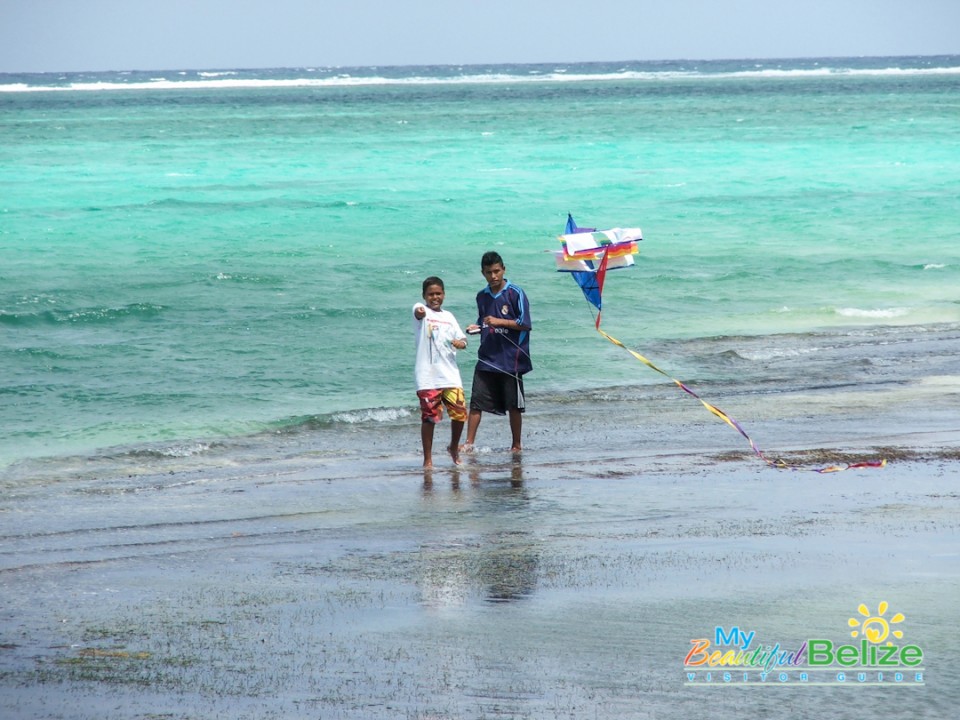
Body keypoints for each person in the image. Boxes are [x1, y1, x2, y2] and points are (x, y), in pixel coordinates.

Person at [463, 251, 532, 452]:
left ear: (503, 269)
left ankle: (516, 444)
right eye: (488, 273)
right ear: (482, 273)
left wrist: (498, 321)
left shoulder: (516, 293)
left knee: (514, 405)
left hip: (512, 359)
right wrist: (475, 328)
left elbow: (524, 323)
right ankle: (468, 443)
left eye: (496, 271)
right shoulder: (481, 296)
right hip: (487, 357)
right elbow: (483, 322)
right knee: (476, 402)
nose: (493, 276)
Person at [412, 276, 468, 468]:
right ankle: (427, 459)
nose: (435, 297)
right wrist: (420, 310)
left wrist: (461, 343)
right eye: (431, 294)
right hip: (428, 377)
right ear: (424, 296)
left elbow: (462, 340)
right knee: (429, 418)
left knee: (460, 413)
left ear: (444, 294)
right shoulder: (422, 311)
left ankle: (453, 447)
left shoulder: (449, 316)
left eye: (438, 293)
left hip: (450, 375)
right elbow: (417, 311)